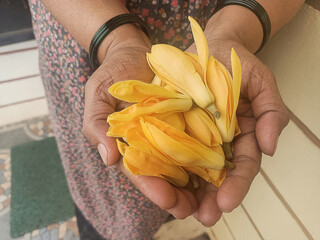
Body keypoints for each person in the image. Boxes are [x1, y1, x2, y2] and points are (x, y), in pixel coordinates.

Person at [28, 0, 304, 239]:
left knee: (166, 192)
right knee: (108, 188)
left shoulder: (205, 116)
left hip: (207, 26)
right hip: (84, 23)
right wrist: (115, 41)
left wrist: (234, 29)